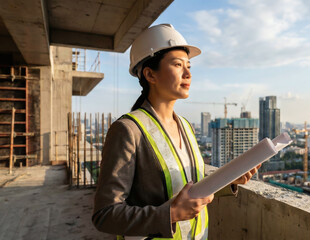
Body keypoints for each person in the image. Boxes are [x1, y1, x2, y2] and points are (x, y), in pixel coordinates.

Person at [92, 24, 260, 240]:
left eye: (189, 66)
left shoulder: (185, 126)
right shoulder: (128, 130)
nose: (188, 73)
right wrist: (170, 214)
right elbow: (105, 215)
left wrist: (230, 181)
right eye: (178, 65)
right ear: (150, 74)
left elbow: (190, 187)